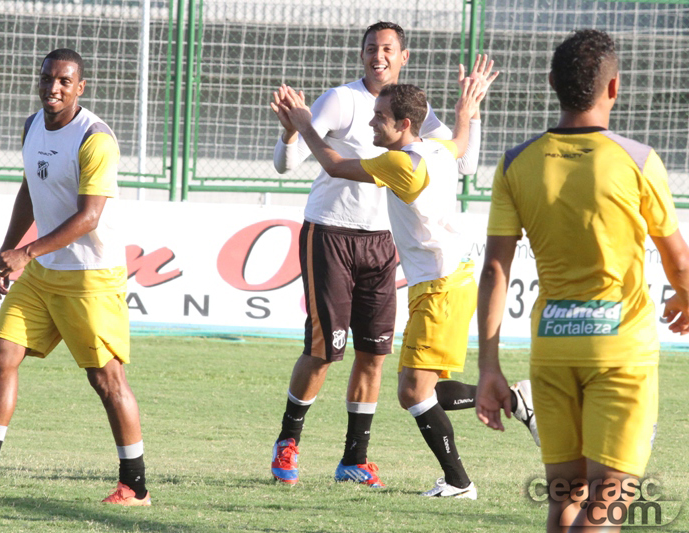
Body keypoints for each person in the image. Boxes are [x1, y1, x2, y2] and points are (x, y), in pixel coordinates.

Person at [273, 63, 526, 498]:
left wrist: (303, 125)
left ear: (403, 125)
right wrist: (469, 108)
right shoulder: (436, 150)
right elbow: (462, 142)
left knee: (412, 391)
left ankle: (460, 480)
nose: (370, 121)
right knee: (420, 387)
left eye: (379, 117)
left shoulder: (400, 164)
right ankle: (517, 401)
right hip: (445, 282)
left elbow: (333, 164)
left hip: (442, 287)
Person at [475, 29, 689, 531]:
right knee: (605, 506)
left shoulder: (515, 163)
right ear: (614, 88)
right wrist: (686, 295)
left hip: (551, 351)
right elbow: (677, 257)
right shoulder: (638, 160)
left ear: (552, 82)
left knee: (563, 501)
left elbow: (494, 269)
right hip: (620, 355)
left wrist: (489, 368)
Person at [0, 49, 151, 506]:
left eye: (65, 81)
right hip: (44, 271)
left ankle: (136, 487)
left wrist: (25, 252)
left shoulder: (95, 139)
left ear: (80, 87)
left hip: (91, 278)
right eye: (47, 79)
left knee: (107, 380)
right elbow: (30, 188)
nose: (54, 88)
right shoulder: (31, 126)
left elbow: (89, 217)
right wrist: (8, 251)